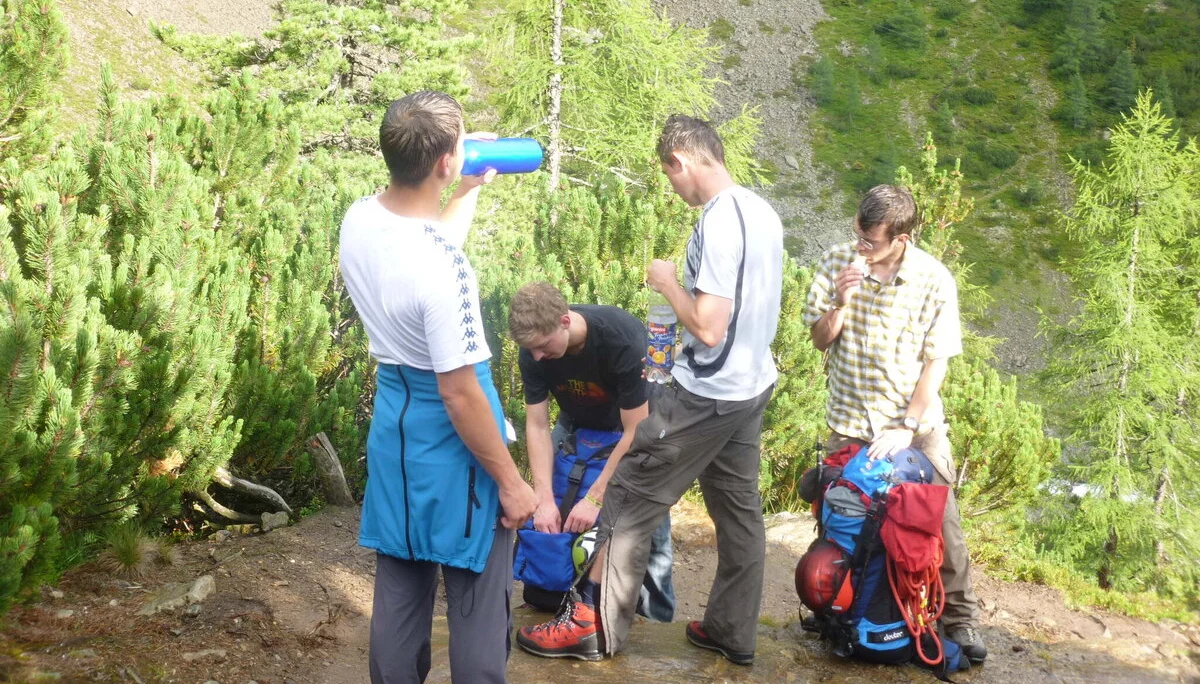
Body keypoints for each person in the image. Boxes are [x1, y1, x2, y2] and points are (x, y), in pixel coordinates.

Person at [516, 114, 783, 664]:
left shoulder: (719, 221)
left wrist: (666, 284)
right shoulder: (761, 212)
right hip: (753, 384)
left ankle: (590, 625)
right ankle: (732, 630)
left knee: (627, 495)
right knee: (738, 512)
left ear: (680, 161)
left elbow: (708, 326)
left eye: (670, 176)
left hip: (707, 390)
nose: (674, 188)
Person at [339, 90, 537, 683]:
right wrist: (510, 482)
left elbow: (428, 243)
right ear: (446, 159)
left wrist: (467, 192)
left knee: (400, 595)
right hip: (456, 444)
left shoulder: (362, 218)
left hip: (395, 428)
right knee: (478, 605)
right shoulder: (444, 273)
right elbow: (460, 393)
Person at [802, 184, 988, 664]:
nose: (861, 248)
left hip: (914, 427)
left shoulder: (933, 279)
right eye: (858, 236)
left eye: (872, 242)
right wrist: (840, 303)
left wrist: (907, 424)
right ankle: (839, 610)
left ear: (901, 238)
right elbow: (820, 340)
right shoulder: (836, 261)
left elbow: (937, 362)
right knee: (839, 519)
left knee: (940, 523)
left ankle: (959, 619)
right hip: (849, 422)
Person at [508, 281, 676, 622]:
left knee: (645, 523)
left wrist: (597, 497)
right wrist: (542, 498)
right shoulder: (534, 348)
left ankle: (655, 621)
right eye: (532, 350)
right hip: (576, 418)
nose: (537, 357)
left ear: (565, 322)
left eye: (542, 347)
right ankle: (558, 600)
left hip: (637, 422)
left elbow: (634, 432)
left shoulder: (621, 339)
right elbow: (538, 425)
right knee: (557, 503)